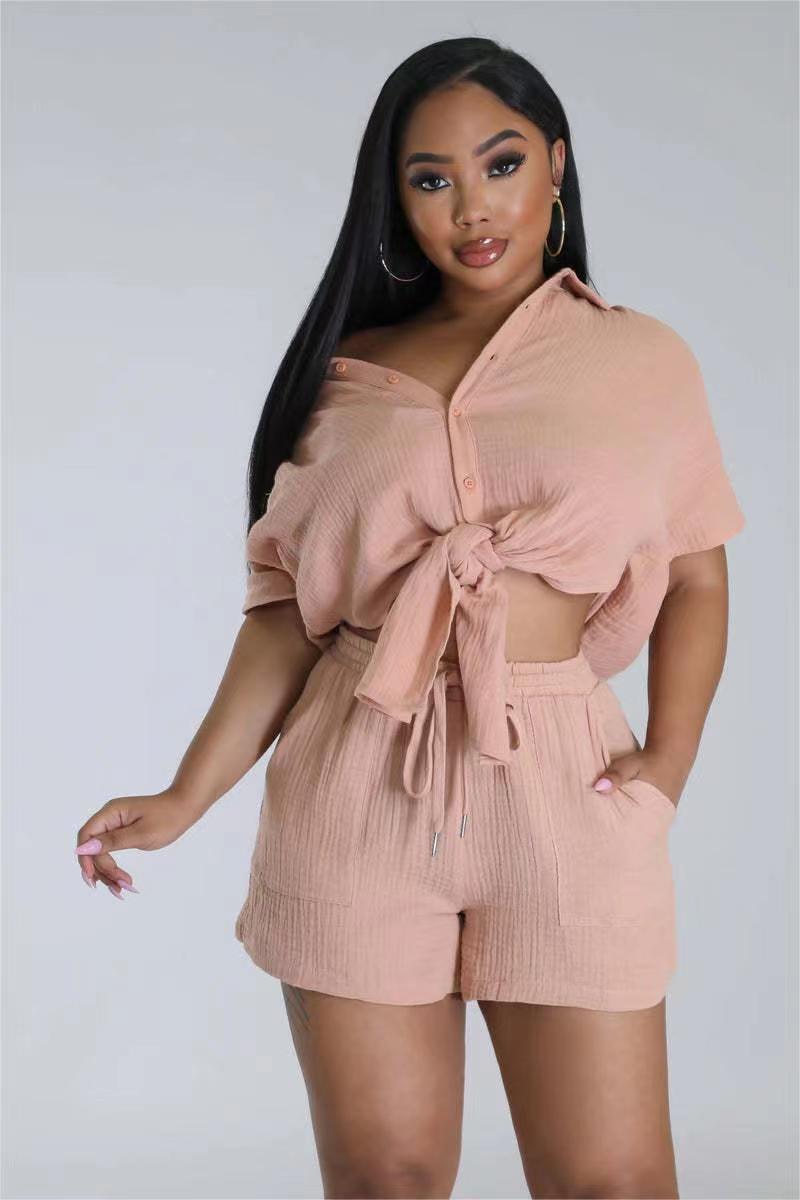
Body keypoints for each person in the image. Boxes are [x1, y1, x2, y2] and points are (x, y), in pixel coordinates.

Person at [75, 36, 745, 1200]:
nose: (469, 207)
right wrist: (186, 795)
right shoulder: (343, 375)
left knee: (614, 1182)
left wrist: (668, 763)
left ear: (556, 165)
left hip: (565, 787)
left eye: (499, 164)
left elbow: (695, 576)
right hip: (357, 782)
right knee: (384, 1181)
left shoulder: (639, 360)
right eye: (429, 179)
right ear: (394, 200)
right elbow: (288, 620)